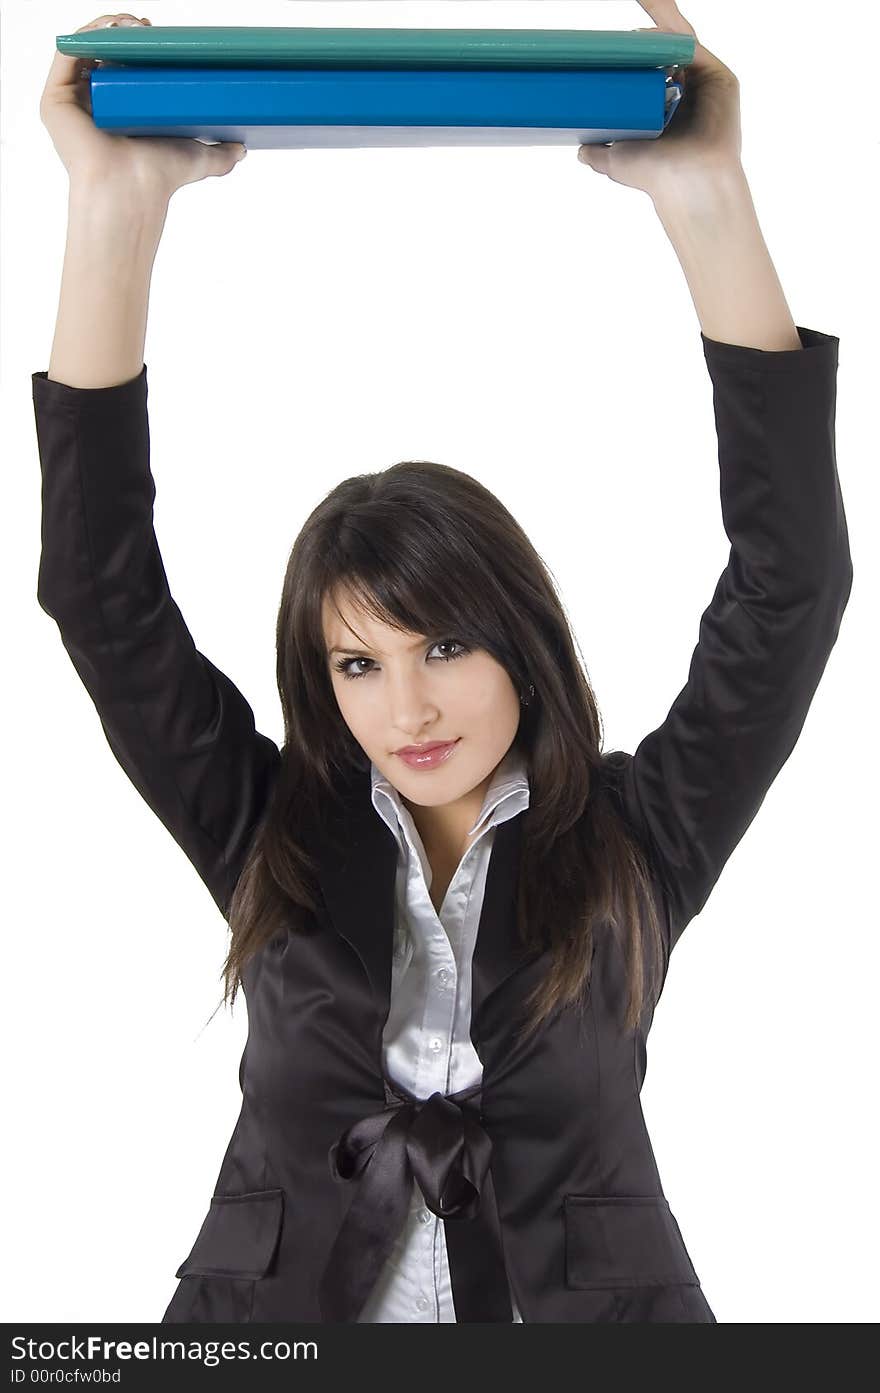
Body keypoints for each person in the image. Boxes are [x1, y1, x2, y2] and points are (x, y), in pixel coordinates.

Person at [32, 4, 852, 1324]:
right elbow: (101, 594)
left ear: (519, 639)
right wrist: (117, 204)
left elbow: (791, 587)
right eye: (356, 664)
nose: (404, 706)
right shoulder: (267, 833)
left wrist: (707, 194)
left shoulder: (641, 839)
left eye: (448, 645)